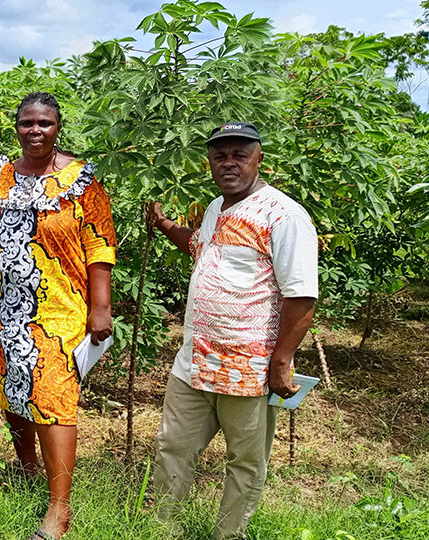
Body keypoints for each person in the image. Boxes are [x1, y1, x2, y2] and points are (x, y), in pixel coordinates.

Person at [146, 121, 318, 540]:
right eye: (220, 156)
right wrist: (166, 225)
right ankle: (163, 530)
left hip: (249, 370)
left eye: (239, 154)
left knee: (244, 460)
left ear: (259, 158)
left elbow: (301, 297)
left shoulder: (284, 215)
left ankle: (228, 535)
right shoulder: (215, 208)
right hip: (194, 364)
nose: (229, 163)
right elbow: (200, 246)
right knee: (173, 448)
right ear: (209, 162)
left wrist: (282, 361)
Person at [0, 92, 116, 540]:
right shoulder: (1, 176)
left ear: (58, 128)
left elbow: (99, 243)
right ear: (17, 126)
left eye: (45, 124)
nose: (35, 131)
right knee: (15, 387)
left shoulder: (81, 181)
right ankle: (27, 467)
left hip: (56, 309)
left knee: (53, 397)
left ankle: (59, 508)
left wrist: (101, 307)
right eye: (27, 123)